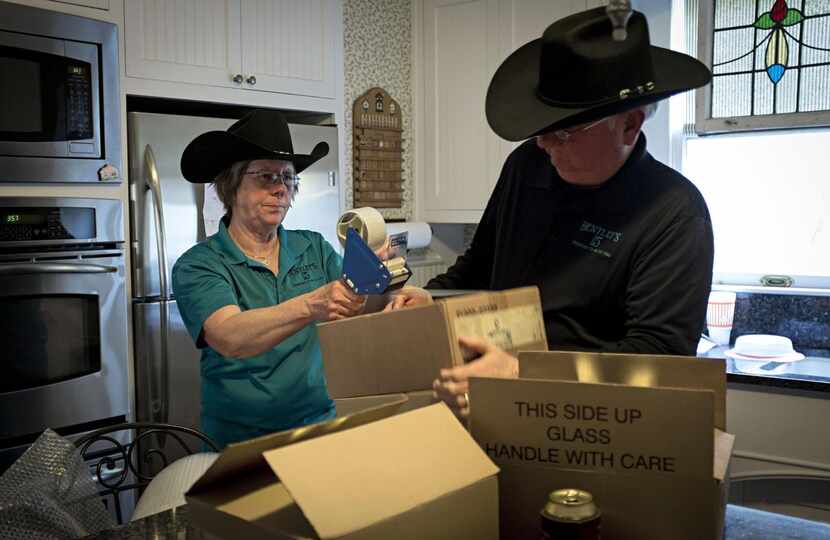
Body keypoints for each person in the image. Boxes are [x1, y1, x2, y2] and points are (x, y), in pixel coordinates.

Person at [404, 8, 716, 415]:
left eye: (564, 131)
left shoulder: (675, 214)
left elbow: (659, 358)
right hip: (494, 403)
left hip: (599, 425)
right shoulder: (526, 167)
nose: (545, 144)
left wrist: (525, 375)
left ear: (629, 125)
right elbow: (478, 271)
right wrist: (429, 302)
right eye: (542, 128)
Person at [172, 109, 369, 448]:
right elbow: (230, 336)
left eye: (288, 178)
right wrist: (312, 304)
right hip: (238, 442)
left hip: (318, 425)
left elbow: (358, 298)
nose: (281, 189)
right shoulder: (199, 264)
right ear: (230, 186)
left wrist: (387, 282)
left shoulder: (314, 247)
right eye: (266, 177)